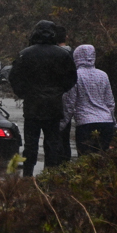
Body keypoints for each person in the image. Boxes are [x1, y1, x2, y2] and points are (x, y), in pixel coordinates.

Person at [9, 20, 78, 176]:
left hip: (32, 105)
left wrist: (23, 93)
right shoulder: (63, 54)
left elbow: (13, 77)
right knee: (53, 142)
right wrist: (59, 91)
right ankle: (50, 175)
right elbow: (72, 79)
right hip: (54, 105)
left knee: (31, 143)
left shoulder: (25, 53)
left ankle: (27, 175)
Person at [61, 44, 117, 155]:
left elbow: (69, 104)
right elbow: (110, 103)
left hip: (85, 123)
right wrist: (114, 122)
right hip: (106, 123)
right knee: (102, 158)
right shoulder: (103, 75)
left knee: (85, 159)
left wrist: (62, 124)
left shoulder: (75, 76)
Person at [53, 24, 73, 160]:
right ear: (66, 37)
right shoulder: (73, 55)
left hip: (53, 100)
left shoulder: (51, 54)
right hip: (69, 99)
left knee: (54, 136)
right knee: (65, 136)